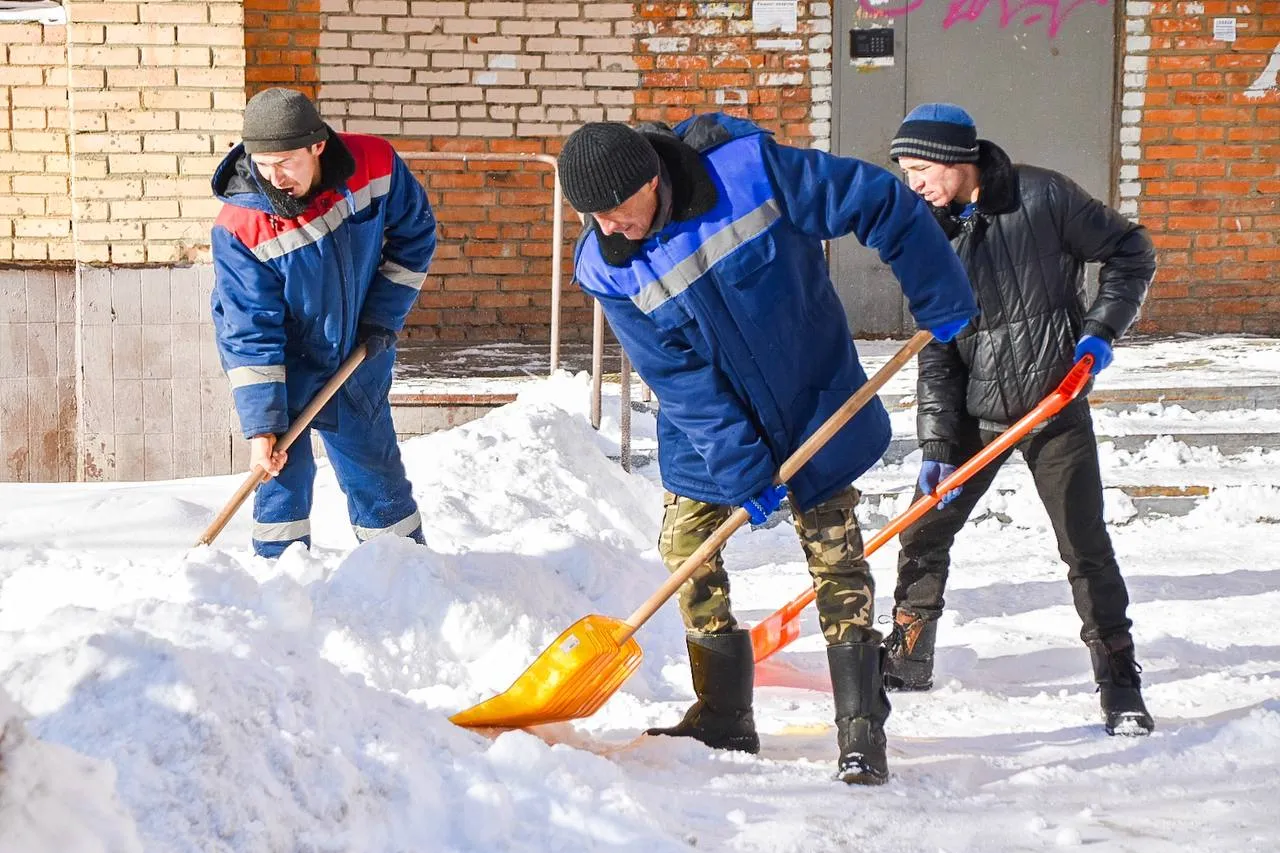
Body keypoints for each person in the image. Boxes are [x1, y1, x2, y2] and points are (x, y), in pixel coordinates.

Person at [558, 115, 977, 784]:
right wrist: (742, 468)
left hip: (810, 397)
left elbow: (878, 199)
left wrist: (939, 289)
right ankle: (724, 711)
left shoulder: (750, 176)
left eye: (615, 208)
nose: (608, 227)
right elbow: (679, 377)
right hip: (706, 432)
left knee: (834, 551)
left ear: (651, 179)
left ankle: (860, 727)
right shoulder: (606, 268)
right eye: (593, 215)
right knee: (686, 551)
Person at [885, 103, 1157, 736]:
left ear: (958, 159)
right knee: (924, 529)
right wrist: (935, 441)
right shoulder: (926, 234)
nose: (914, 183)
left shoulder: (1043, 196)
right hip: (975, 410)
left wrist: (1100, 332)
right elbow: (938, 353)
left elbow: (1130, 249)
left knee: (1084, 546)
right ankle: (907, 655)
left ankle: (1119, 680)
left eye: (921, 169)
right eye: (905, 172)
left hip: (1053, 401)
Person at [209, 88, 436, 558]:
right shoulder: (239, 225)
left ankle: (407, 574)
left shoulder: (375, 165)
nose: (274, 177)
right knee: (279, 482)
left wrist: (380, 319)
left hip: (357, 355)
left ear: (318, 146)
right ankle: (280, 583)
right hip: (283, 368)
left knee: (375, 472)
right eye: (263, 163)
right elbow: (248, 331)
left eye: (286, 161)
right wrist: (262, 428)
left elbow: (415, 238)